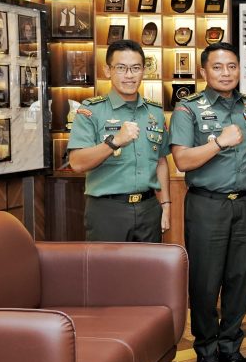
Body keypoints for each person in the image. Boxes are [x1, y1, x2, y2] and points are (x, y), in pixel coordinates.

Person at [170, 42, 246, 362]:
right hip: (206, 204)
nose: (226, 73)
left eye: (232, 66)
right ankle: (206, 350)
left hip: (245, 203)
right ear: (203, 71)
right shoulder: (188, 109)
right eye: (217, 67)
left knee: (239, 278)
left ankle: (230, 347)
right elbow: (182, 160)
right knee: (205, 281)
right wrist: (218, 143)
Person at [67, 39, 170, 243]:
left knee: (150, 264)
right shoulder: (91, 111)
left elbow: (161, 161)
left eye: (136, 68)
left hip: (149, 208)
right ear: (108, 70)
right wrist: (115, 141)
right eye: (121, 68)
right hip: (107, 210)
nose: (129, 75)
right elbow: (77, 163)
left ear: (143, 71)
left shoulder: (155, 112)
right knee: (106, 265)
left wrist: (166, 205)